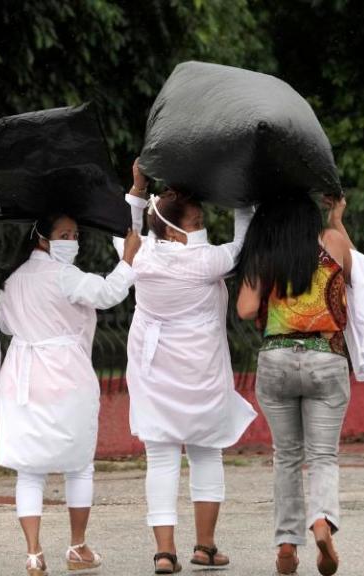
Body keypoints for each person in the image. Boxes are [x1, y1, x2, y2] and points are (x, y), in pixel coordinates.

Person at [125, 160, 257, 574]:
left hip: (153, 371)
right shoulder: (207, 262)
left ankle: (164, 553)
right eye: (197, 219)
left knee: (161, 459)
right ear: (174, 226)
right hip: (200, 373)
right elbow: (244, 242)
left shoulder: (140, 255)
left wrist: (136, 188)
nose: (201, 225)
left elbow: (128, 233)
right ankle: (205, 546)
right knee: (206, 454)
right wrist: (240, 196)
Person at [0, 211, 141, 576]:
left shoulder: (13, 280)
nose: (72, 240)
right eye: (64, 233)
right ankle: (77, 547)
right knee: (78, 466)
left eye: (75, 233)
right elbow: (108, 293)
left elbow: (5, 324)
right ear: (42, 237)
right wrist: (128, 259)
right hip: (64, 378)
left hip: (22, 380)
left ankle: (33, 553)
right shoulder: (64, 276)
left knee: (29, 471)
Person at [235, 193, 354, 576]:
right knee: (322, 456)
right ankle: (321, 520)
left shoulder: (264, 255)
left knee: (286, 456)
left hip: (277, 358)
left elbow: (245, 310)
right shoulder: (332, 242)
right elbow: (356, 272)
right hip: (326, 356)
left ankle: (286, 544)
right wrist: (337, 220)